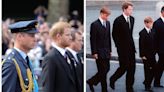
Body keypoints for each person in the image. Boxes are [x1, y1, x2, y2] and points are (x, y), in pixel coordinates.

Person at [2, 20, 39, 92]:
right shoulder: (11, 63)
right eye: (31, 35)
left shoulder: (24, 59)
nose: (35, 39)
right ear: (19, 37)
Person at [41, 21, 78, 92]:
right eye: (67, 35)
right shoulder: (50, 58)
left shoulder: (69, 55)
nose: (71, 38)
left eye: (70, 35)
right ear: (58, 36)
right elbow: (48, 87)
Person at [110, 2, 136, 92]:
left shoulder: (132, 19)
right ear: (124, 9)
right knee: (123, 67)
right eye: (130, 9)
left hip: (131, 48)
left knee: (132, 68)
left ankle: (129, 88)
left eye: (132, 9)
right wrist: (119, 47)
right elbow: (114, 35)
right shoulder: (118, 20)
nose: (131, 11)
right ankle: (112, 79)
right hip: (122, 49)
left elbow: (129, 34)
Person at [87, 6, 112, 92]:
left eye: (108, 16)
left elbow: (109, 37)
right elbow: (92, 39)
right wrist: (94, 52)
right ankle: (104, 90)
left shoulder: (108, 23)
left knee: (107, 69)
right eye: (106, 15)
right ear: (101, 14)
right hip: (98, 51)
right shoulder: (94, 24)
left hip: (106, 51)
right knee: (102, 71)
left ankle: (91, 81)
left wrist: (110, 50)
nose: (107, 17)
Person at [139, 17, 156, 91]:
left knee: (155, 69)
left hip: (152, 54)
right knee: (147, 71)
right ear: (145, 23)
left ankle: (146, 82)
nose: (151, 24)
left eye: (152, 23)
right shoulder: (142, 33)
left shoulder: (153, 31)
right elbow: (141, 45)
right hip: (145, 55)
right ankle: (147, 86)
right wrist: (142, 55)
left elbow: (154, 42)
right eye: (150, 23)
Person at [153, 6, 164, 88]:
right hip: (161, 49)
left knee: (160, 66)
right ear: (162, 12)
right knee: (160, 66)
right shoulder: (157, 23)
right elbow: (154, 37)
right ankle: (156, 82)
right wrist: (155, 50)